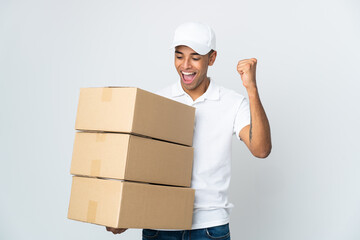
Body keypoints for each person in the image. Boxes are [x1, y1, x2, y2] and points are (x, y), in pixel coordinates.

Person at [106, 22, 272, 240]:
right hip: (159, 224)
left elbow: (261, 149)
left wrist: (251, 88)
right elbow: (140, 162)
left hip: (209, 227)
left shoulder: (231, 102)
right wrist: (124, 212)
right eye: (179, 56)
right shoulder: (158, 100)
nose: (185, 65)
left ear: (211, 59)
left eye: (195, 57)